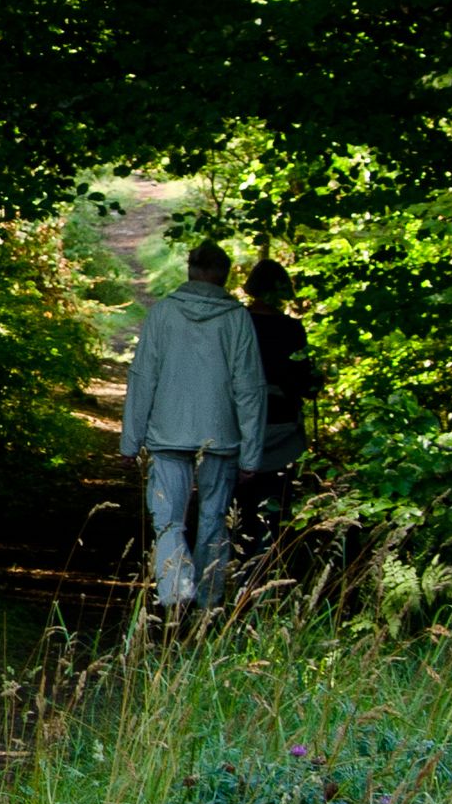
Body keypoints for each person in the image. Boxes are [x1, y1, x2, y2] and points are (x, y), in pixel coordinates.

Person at [121, 239, 265, 613]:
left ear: (190, 271)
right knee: (215, 518)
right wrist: (252, 452)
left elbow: (143, 378)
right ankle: (207, 601)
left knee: (168, 519)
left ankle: (174, 593)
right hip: (222, 436)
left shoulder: (163, 314)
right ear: (224, 275)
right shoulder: (236, 319)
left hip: (168, 433)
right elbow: (249, 388)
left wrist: (130, 441)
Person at [235, 256, 316, 567]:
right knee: (277, 504)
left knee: (238, 505)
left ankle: (238, 565)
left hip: (239, 424)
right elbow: (302, 381)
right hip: (282, 429)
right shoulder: (291, 329)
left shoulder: (236, 323)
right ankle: (270, 568)